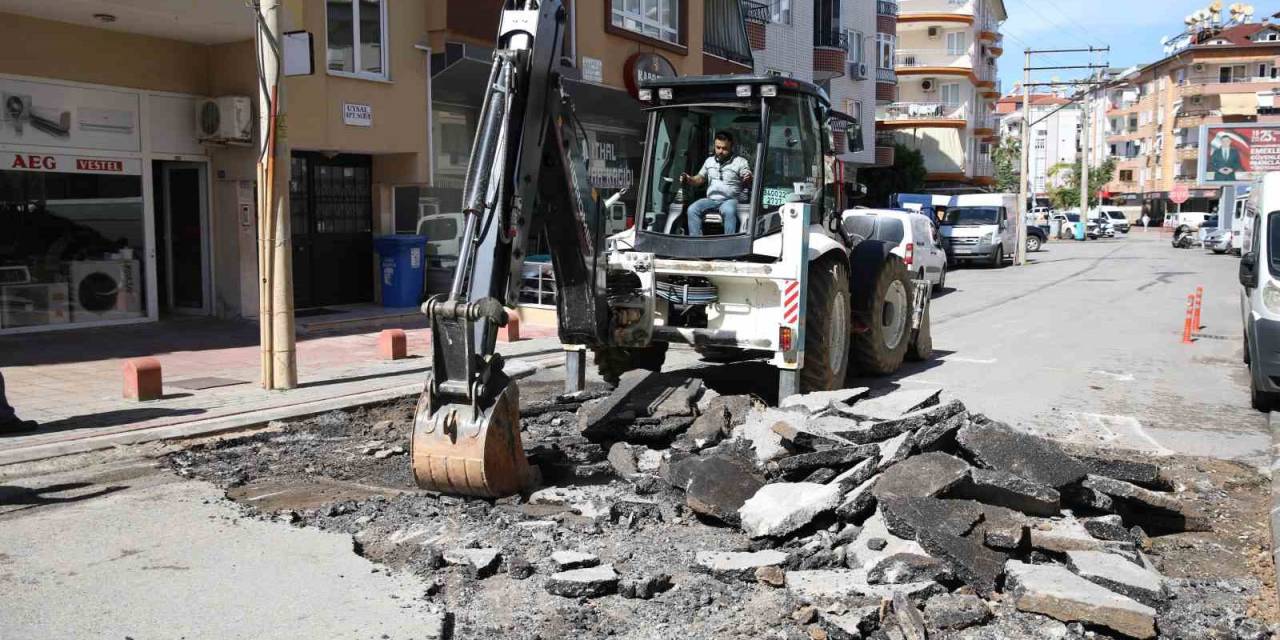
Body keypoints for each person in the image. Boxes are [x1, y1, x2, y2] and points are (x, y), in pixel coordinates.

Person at [681, 131, 752, 236]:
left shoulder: (740, 162)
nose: (720, 151)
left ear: (731, 147)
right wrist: (689, 179)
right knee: (692, 209)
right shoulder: (709, 161)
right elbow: (700, 178)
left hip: (730, 200)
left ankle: (728, 242)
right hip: (711, 200)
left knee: (729, 211)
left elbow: (746, 175)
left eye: (724, 148)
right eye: (718, 147)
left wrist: (748, 177)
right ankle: (695, 241)